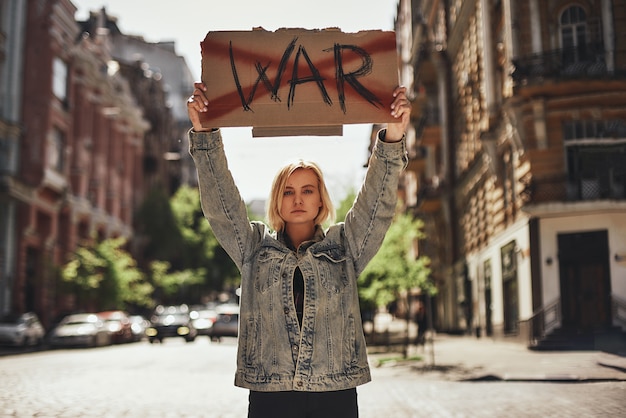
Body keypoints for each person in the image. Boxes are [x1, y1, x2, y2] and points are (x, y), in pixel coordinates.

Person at [187, 81, 411, 418]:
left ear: (321, 198)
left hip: (334, 391)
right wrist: (205, 135)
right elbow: (222, 206)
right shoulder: (253, 249)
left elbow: (375, 206)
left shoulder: (344, 247)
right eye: (288, 190)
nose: (298, 199)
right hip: (270, 396)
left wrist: (392, 136)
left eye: (308, 190)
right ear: (277, 198)